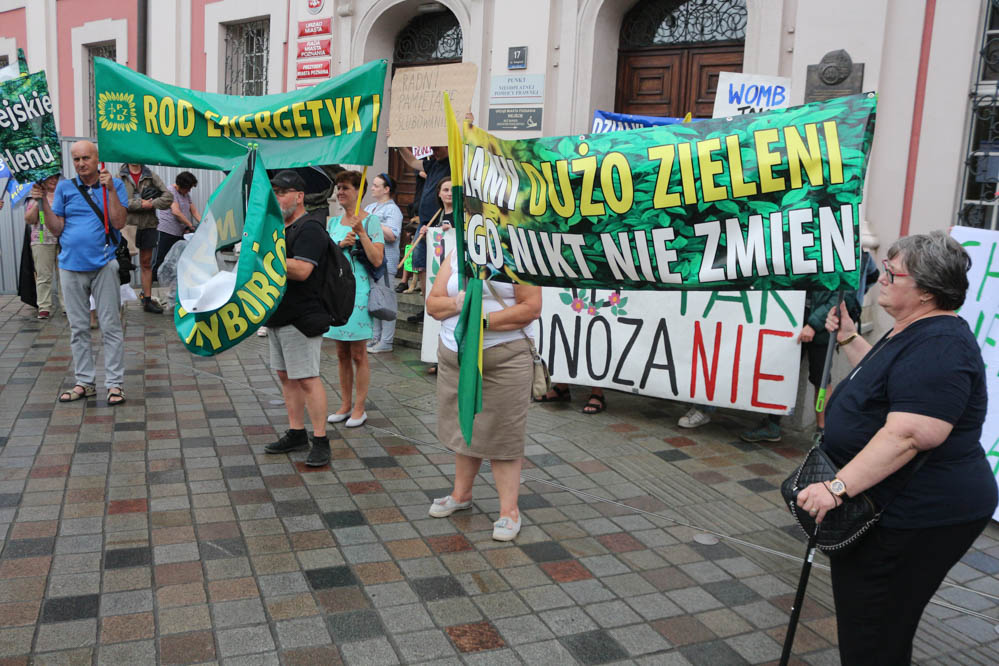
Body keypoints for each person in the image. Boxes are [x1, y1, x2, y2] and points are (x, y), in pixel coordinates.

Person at [793, 232, 997, 665]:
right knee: (870, 623)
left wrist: (837, 487)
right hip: (889, 505)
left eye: (892, 271)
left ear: (925, 291)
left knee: (876, 627)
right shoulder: (916, 331)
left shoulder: (941, 345)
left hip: (916, 515)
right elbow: (883, 382)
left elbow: (910, 434)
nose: (881, 276)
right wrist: (849, 337)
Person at [426, 249, 542, 541]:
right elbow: (433, 304)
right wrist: (457, 304)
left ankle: (509, 511)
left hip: (504, 360)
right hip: (456, 357)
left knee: (503, 432)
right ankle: (461, 494)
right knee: (465, 425)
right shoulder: (457, 249)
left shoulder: (518, 251)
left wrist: (481, 321)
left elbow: (530, 308)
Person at [35, 140, 128, 406]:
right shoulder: (65, 187)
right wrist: (42, 201)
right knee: (78, 328)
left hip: (103, 264)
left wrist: (110, 189)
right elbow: (55, 229)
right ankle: (85, 382)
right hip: (70, 266)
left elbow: (120, 222)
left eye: (85, 158)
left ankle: (114, 384)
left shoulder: (114, 185)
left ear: (97, 158)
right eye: (76, 159)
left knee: (110, 327)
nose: (80, 164)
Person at [260, 171, 333, 467]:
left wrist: (265, 257)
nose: (277, 198)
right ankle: (296, 432)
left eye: (282, 192)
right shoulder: (280, 227)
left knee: (306, 378)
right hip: (279, 314)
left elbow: (303, 270)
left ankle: (321, 439)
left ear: (299, 196)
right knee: (285, 376)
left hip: (302, 318)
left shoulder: (311, 227)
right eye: (274, 192)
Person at [324, 171, 385, 428]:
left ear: (358, 192)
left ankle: (360, 407)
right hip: (337, 290)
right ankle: (345, 404)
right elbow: (325, 259)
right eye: (338, 188)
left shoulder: (371, 221)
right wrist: (339, 246)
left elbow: (377, 260)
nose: (340, 193)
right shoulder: (332, 224)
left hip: (360, 291)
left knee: (359, 353)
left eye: (345, 188)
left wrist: (361, 234)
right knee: (340, 351)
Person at [397, 146, 450, 317]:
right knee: (420, 265)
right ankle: (428, 305)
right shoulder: (433, 163)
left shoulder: (454, 161)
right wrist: (399, 145)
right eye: (432, 148)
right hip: (424, 222)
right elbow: (412, 161)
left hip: (440, 221)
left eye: (437, 148)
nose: (434, 151)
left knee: (440, 265)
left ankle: (438, 302)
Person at [119, 163, 173, 313]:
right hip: (127, 225)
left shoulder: (150, 174)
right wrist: (140, 204)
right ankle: (120, 301)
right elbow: (118, 201)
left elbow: (168, 197)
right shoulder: (120, 176)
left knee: (146, 263)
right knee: (123, 265)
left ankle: (147, 299)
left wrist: (152, 203)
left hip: (148, 224)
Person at [364, 173, 403, 353]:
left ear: (387, 189)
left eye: (376, 185)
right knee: (375, 299)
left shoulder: (393, 210)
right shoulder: (371, 207)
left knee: (386, 300)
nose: (372, 188)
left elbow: (392, 234)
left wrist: (373, 223)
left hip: (385, 261)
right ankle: (375, 337)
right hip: (370, 260)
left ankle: (386, 341)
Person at [23, 173, 62, 319]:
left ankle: (66, 305)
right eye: (50, 178)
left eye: (56, 177)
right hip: (41, 239)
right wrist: (38, 201)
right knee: (43, 276)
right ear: (43, 180)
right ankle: (44, 306)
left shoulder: (62, 194)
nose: (54, 180)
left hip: (62, 240)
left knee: (64, 276)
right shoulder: (35, 195)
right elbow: (29, 219)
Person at [153, 171, 199, 284]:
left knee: (178, 258)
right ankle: (155, 283)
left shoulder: (186, 195)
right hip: (167, 231)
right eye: (189, 188)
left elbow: (194, 211)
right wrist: (190, 225)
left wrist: (203, 223)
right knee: (162, 258)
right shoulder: (170, 192)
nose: (189, 191)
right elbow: (176, 212)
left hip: (179, 233)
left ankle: (173, 282)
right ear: (182, 185)